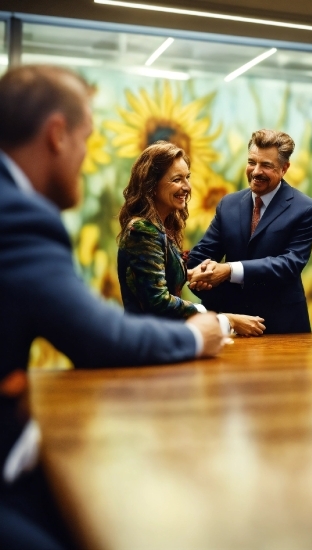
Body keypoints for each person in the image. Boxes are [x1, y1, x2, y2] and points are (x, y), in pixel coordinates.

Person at [0, 65, 224, 549]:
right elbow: (96, 334)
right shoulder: (17, 214)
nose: (85, 157)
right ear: (57, 136)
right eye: (86, 140)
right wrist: (201, 330)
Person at [117, 141, 265, 336]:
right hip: (148, 343)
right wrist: (225, 319)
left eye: (187, 177)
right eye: (177, 179)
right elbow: (157, 301)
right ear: (151, 185)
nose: (187, 187)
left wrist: (189, 274)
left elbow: (153, 275)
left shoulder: (159, 228)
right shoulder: (143, 230)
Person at [186, 129, 312, 334]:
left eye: (266, 165)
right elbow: (201, 256)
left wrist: (228, 271)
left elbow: (289, 265)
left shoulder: (306, 209)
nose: (256, 171)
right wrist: (200, 275)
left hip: (283, 330)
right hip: (233, 326)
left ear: (285, 168)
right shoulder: (228, 204)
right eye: (252, 162)